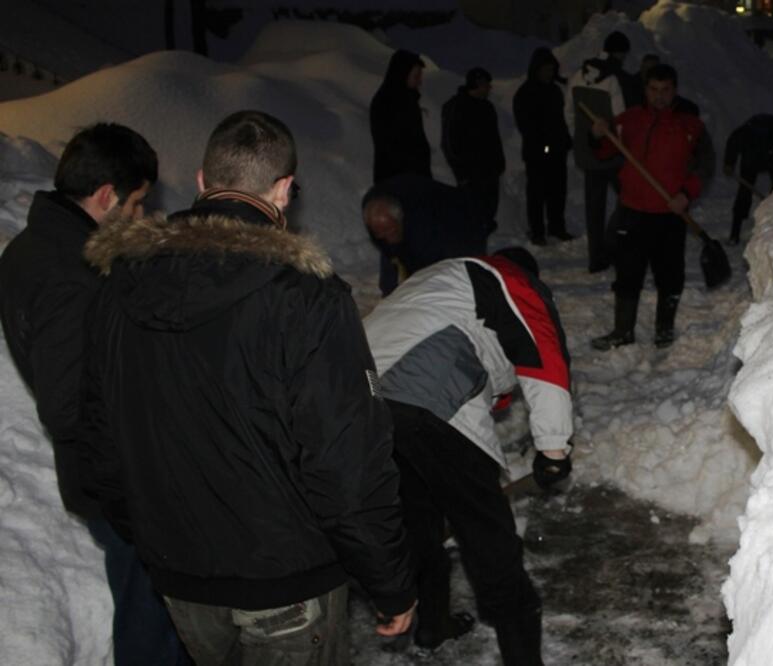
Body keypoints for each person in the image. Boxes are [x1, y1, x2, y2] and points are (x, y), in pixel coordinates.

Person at [81, 110, 416, 664]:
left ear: (201, 181)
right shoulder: (307, 296)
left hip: (181, 575)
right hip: (287, 579)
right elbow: (347, 456)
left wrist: (154, 534)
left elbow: (97, 432)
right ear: (284, 190)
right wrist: (391, 579)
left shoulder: (120, 285)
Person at [0, 123, 189, 665]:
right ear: (105, 195)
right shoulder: (70, 274)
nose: (138, 216)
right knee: (152, 617)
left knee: (143, 600)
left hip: (103, 475)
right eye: (134, 204)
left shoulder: (32, 249)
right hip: (118, 478)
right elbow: (66, 404)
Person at [363, 248, 573, 665]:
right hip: (425, 392)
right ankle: (522, 656)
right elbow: (544, 360)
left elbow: (484, 364)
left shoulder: (439, 279)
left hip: (360, 394)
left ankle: (433, 623)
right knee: (487, 535)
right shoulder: (511, 279)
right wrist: (553, 450)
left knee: (417, 519)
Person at [589, 64, 708, 351]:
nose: (659, 96)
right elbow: (605, 151)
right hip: (632, 211)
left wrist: (685, 193)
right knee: (628, 273)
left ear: (674, 90)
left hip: (669, 214)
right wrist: (599, 134)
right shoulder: (629, 119)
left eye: (665, 90)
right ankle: (622, 330)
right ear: (645, 90)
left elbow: (705, 165)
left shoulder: (689, 124)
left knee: (670, 274)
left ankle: (664, 330)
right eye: (653, 90)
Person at [565, 30, 634, 273]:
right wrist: (623, 144)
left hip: (587, 152)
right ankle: (611, 244)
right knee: (628, 197)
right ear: (620, 53)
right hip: (612, 151)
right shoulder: (613, 79)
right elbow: (620, 116)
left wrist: (579, 138)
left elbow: (569, 112)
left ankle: (596, 257)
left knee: (594, 207)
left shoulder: (577, 76)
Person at [362, 173, 489, 295]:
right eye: (381, 234)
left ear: (401, 220)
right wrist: (388, 293)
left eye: (391, 231)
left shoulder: (422, 224)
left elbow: (426, 267)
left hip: (463, 218)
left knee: (463, 276)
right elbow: (389, 253)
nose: (388, 239)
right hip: (415, 211)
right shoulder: (374, 210)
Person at [513, 47, 573, 246]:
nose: (548, 73)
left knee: (558, 190)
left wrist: (565, 140)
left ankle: (557, 226)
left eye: (551, 69)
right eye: (545, 69)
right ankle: (537, 230)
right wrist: (542, 144)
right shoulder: (526, 93)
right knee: (537, 192)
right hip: (536, 153)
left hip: (557, 150)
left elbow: (559, 119)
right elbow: (526, 124)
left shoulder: (554, 91)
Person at [441, 66, 506, 232]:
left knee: (487, 213)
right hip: (470, 174)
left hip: (489, 172)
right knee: (472, 215)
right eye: (486, 84)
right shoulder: (457, 106)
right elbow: (450, 142)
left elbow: (494, 139)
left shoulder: (487, 108)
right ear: (477, 84)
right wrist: (462, 172)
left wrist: (499, 163)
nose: (489, 88)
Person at [722, 114, 773, 245]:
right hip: (752, 158)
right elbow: (733, 141)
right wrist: (729, 163)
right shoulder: (755, 131)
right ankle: (734, 232)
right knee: (744, 191)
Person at [370, 49, 431, 183]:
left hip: (412, 180)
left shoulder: (408, 100)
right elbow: (394, 147)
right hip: (398, 182)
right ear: (402, 74)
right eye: (416, 76)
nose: (420, 81)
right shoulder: (389, 101)